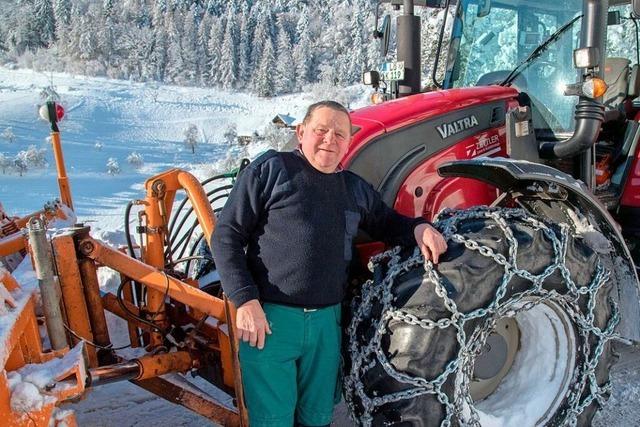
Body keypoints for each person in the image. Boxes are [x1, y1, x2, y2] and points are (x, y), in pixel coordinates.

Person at [211, 100, 447, 427]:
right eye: (321, 130)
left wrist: (419, 227)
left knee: (318, 417)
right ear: (301, 132)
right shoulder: (272, 171)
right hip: (270, 321)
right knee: (271, 419)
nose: (329, 140)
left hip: (326, 324)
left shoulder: (353, 189)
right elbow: (226, 236)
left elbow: (387, 222)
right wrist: (245, 300)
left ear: (349, 142)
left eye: (340, 134)